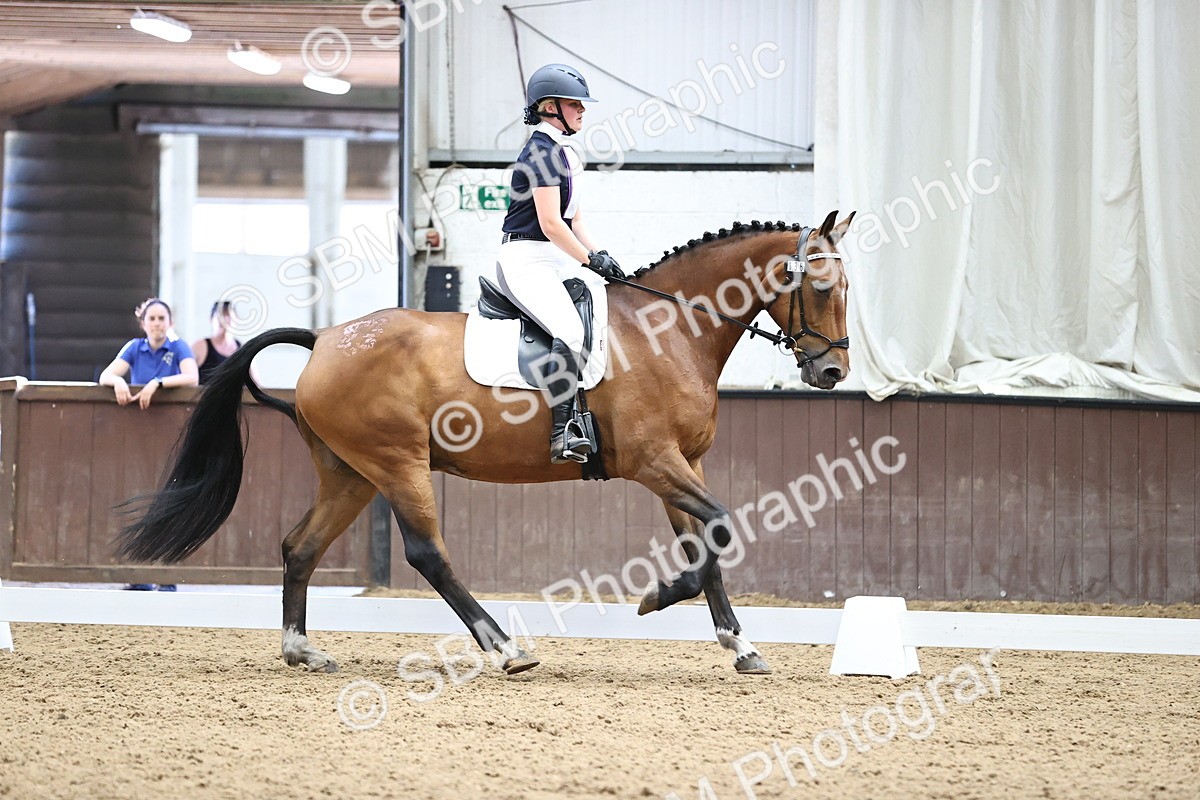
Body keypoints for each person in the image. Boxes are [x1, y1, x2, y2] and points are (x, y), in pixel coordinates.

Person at [496, 62, 626, 464]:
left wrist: (601, 256)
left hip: (555, 256)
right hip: (525, 257)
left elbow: (575, 220)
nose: (583, 110)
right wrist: (588, 259)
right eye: (575, 104)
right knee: (570, 329)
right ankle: (563, 433)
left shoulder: (565, 153)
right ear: (550, 107)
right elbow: (551, 224)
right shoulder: (540, 152)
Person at [98, 297, 198, 592]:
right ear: (143, 323)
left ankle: (167, 578)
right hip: (139, 433)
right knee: (139, 500)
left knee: (169, 501)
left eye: (162, 319)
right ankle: (140, 575)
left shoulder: (178, 347)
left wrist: (158, 383)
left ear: (170, 323)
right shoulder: (133, 347)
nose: (157, 324)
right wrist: (117, 382)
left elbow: (192, 376)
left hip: (172, 431)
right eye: (151, 319)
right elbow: (108, 373)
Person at [191, 300, 243, 385]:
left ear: (236, 320)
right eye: (220, 315)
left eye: (228, 315)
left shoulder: (242, 348)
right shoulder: (200, 346)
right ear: (211, 320)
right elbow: (186, 376)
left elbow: (256, 383)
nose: (224, 319)